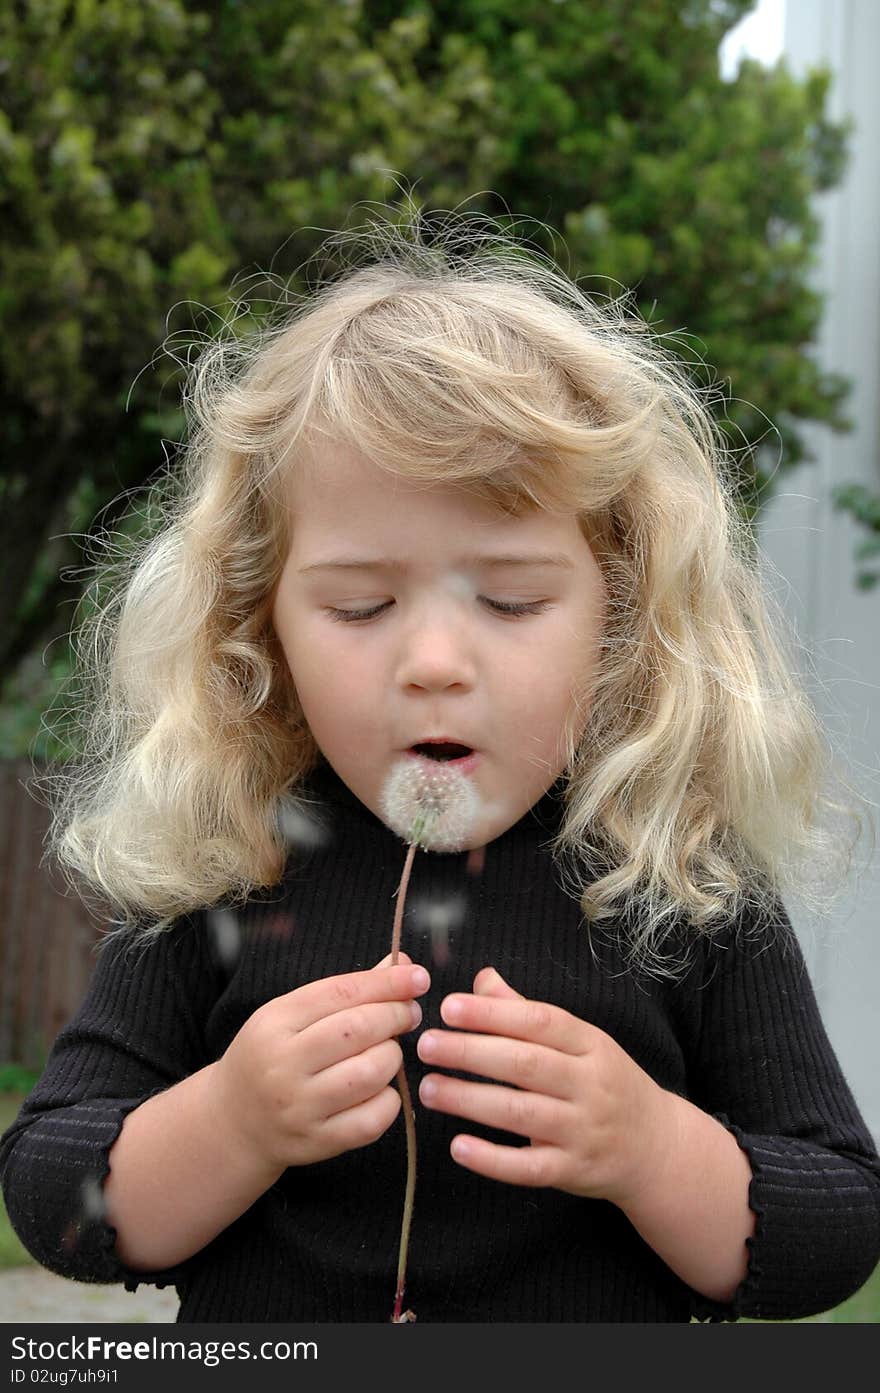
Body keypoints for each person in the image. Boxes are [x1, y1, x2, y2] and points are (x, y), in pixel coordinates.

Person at [2, 211, 879, 1324]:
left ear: (620, 612)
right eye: (359, 604)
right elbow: (49, 1194)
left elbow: (839, 1225)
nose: (431, 663)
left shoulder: (678, 877)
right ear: (259, 624)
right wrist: (229, 1123)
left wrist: (650, 1146)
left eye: (510, 600)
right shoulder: (232, 861)